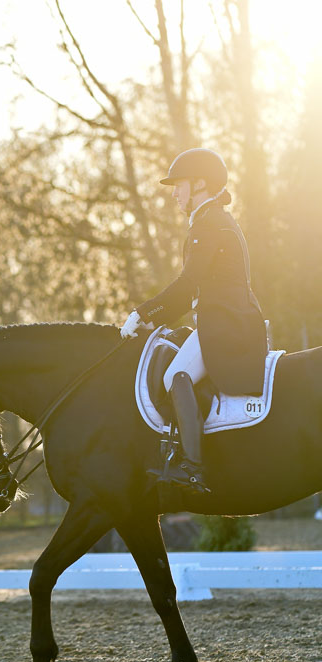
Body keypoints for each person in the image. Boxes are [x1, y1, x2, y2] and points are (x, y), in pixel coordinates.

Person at [121, 148, 268, 495]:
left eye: (179, 185)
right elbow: (190, 294)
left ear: (200, 183)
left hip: (226, 324)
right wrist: (153, 318)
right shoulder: (212, 219)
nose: (174, 193)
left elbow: (187, 285)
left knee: (174, 376)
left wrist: (142, 313)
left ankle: (192, 468)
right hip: (223, 319)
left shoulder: (209, 222)